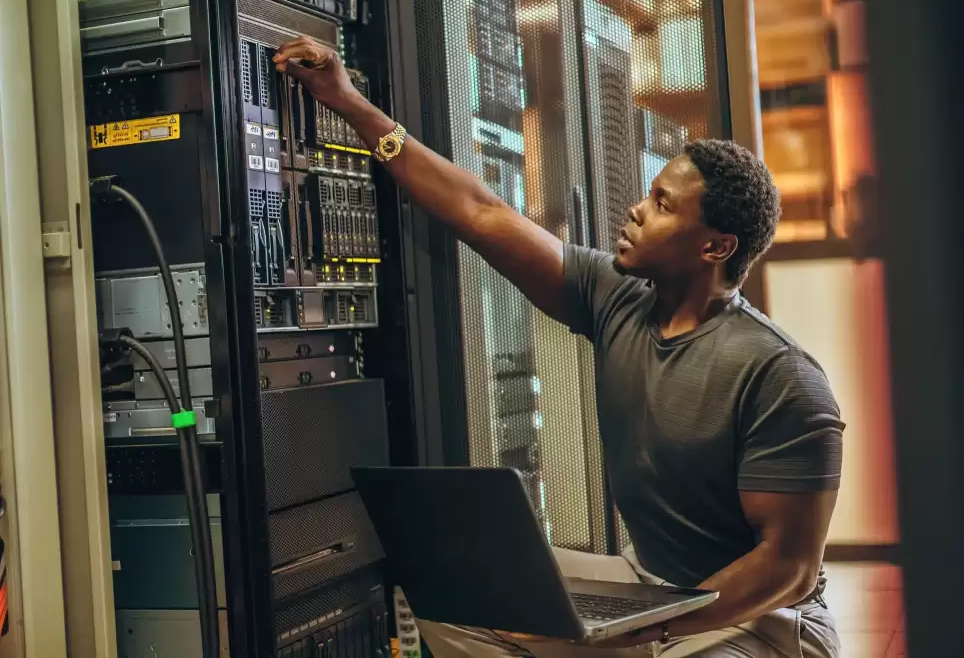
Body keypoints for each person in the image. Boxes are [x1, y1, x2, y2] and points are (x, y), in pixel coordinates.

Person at [274, 37, 843, 658]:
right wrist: (347, 100)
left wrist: (649, 629)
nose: (634, 211)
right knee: (457, 603)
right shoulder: (614, 295)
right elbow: (480, 211)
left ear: (716, 247)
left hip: (754, 621)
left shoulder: (778, 374)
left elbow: (786, 568)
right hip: (649, 588)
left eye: (660, 205)